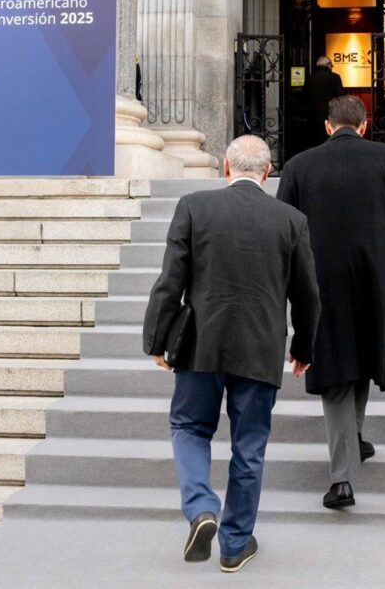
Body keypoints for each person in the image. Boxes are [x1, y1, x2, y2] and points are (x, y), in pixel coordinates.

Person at [142, 135, 321, 573]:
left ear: (225, 168)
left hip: (201, 344)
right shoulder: (291, 219)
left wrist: (157, 339)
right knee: (249, 446)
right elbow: (308, 295)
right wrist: (303, 347)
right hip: (260, 350)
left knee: (188, 426)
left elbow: (171, 281)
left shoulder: (193, 206)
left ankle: (202, 506)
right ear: (268, 172)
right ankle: (235, 544)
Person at [276, 94, 385, 510]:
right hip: (379, 279)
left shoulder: (298, 166)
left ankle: (350, 450)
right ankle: (343, 473)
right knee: (355, 361)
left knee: (342, 364)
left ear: (328, 126)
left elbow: (283, 233)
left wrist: (278, 287)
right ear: (364, 125)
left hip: (320, 281)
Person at [301, 56, 344, 150]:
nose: (332, 67)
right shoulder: (334, 77)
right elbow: (340, 97)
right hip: (331, 115)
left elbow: (304, 97)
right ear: (328, 65)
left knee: (315, 141)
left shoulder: (310, 78)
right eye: (331, 65)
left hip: (313, 116)